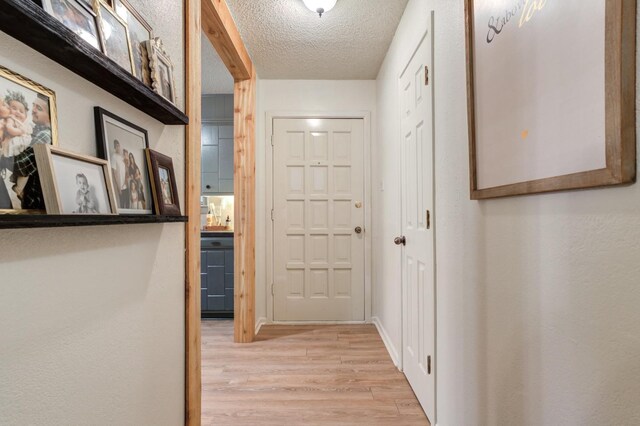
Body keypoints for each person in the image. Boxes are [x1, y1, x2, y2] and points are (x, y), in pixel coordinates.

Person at [10, 94, 52, 210]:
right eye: (33, 106)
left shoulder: (44, 135)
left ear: (49, 116)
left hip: (34, 200)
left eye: (39, 108)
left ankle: (18, 188)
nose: (33, 110)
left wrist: (5, 157)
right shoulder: (36, 130)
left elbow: (23, 163)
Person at [111, 139, 127, 207]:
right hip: (120, 186)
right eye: (116, 146)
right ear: (114, 148)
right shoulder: (113, 157)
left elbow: (125, 170)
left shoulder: (121, 157)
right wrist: (118, 187)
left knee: (127, 204)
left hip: (125, 184)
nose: (118, 147)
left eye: (118, 145)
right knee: (122, 204)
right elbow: (114, 173)